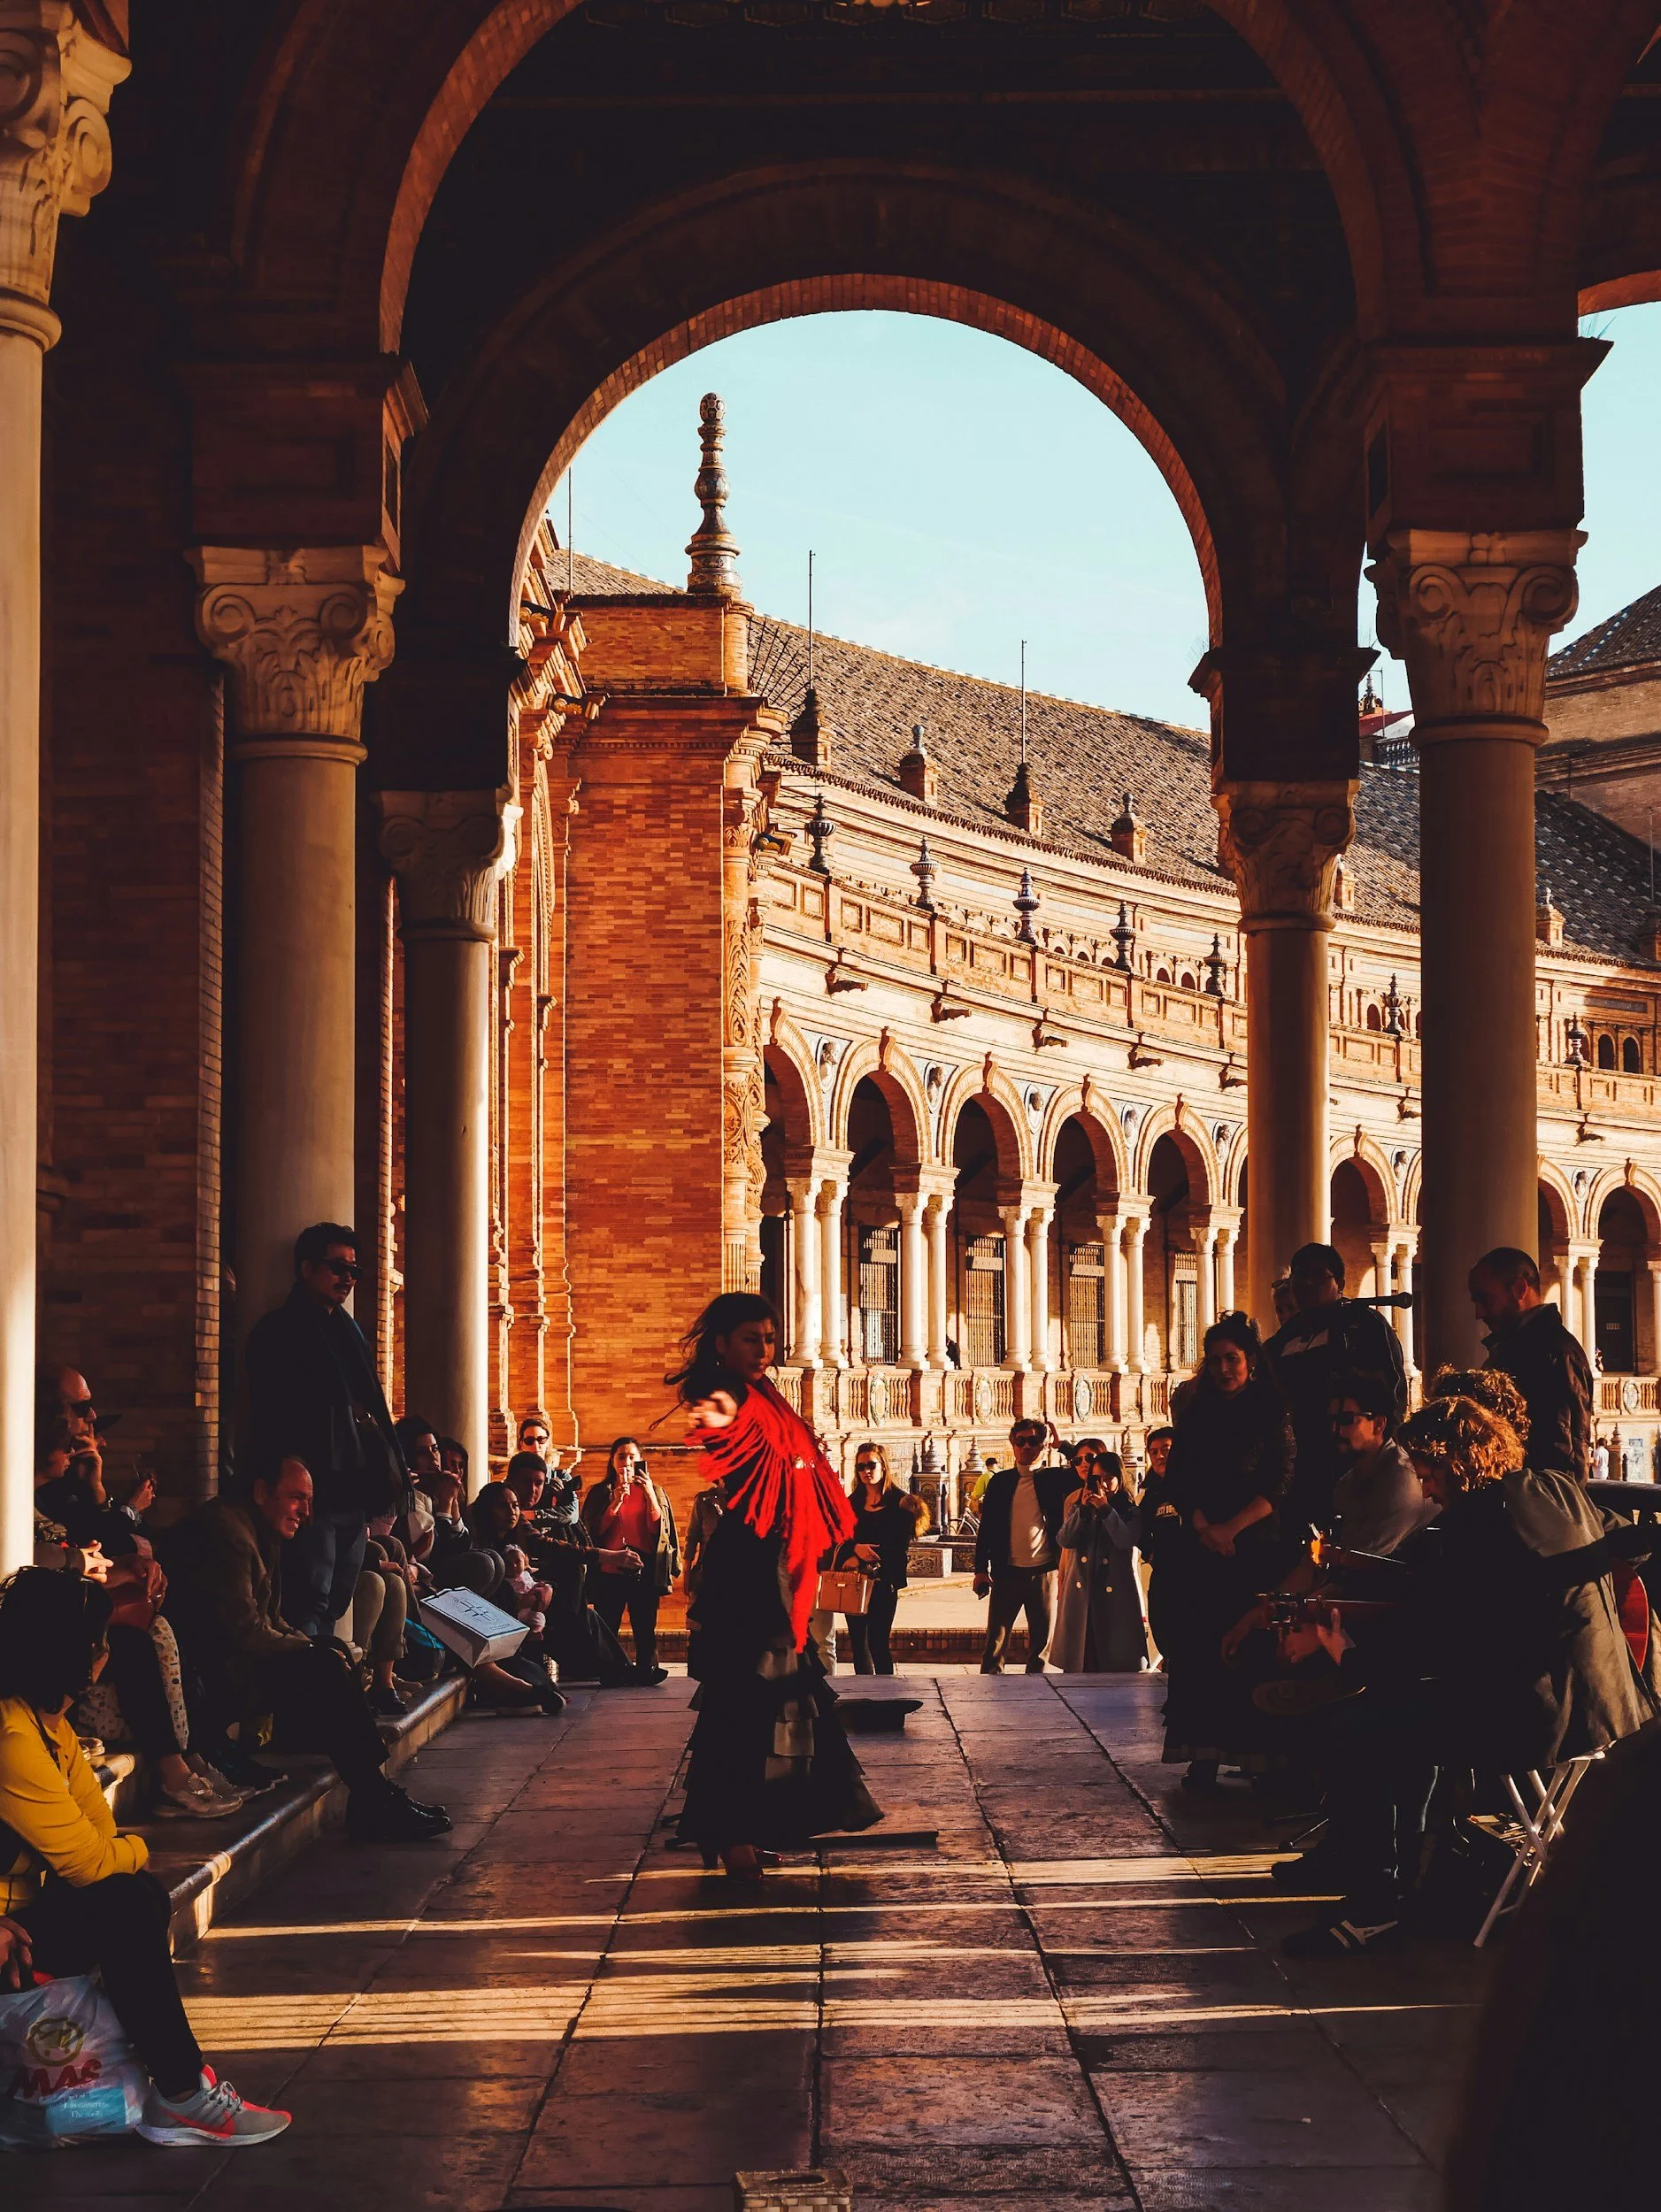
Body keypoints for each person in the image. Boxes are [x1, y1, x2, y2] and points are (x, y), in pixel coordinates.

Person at [1280, 1394, 1648, 1958]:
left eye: (1428, 1475)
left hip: (1540, 1720)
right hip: (1612, 1703)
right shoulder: (1559, 1488)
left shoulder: (1476, 1522)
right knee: (1404, 1721)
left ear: (1457, 1464)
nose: (1425, 1491)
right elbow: (1633, 1546)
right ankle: (1422, 1876)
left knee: (1357, 1727)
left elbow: (1422, 1644)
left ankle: (1376, 1905)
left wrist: (1342, 1652)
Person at [0, 1568, 291, 2145]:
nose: (107, 1653)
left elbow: (96, 1828)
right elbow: (89, 1859)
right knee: (126, 1902)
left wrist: (121, 1852)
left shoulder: (46, 1726)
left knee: (133, 1898)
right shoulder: (10, 1735)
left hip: (18, 1925)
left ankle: (178, 2088)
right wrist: (137, 1849)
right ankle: (184, 2093)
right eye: (99, 1640)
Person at [673, 1292, 880, 1878]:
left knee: (772, 1703)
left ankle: (741, 1829)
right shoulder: (720, 1395)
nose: (762, 1349)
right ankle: (731, 1834)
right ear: (720, 1343)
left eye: (768, 1338)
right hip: (745, 1569)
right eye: (749, 1338)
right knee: (743, 1703)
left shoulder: (767, 1397)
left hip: (776, 1564)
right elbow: (715, 1437)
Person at [164, 1455, 450, 1840]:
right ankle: (373, 1797)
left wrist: (312, 1645)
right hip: (206, 1681)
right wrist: (309, 1652)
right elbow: (244, 1633)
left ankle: (375, 1791)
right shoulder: (227, 1533)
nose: (307, 1512)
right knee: (322, 1666)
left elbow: (272, 1620)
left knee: (328, 1651)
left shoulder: (256, 1529)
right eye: (297, 1497)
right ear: (262, 1492)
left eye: (310, 1501)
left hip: (231, 1665)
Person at [244, 1224, 407, 1640]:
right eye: (338, 1268)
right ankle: (311, 1691)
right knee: (308, 1596)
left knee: (336, 1596)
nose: (348, 1279)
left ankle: (325, 1680)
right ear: (306, 1269)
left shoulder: (348, 1331)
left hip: (352, 1489)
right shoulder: (279, 1331)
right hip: (313, 1492)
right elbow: (269, 1413)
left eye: (354, 1271)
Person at [1160, 1312, 1292, 1791]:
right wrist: (1205, 1528)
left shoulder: (1272, 1410)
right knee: (1201, 1650)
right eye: (1214, 1361)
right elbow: (1179, 1478)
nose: (1223, 1369)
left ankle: (1256, 1756)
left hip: (1255, 1545)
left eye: (1231, 1359)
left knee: (1249, 1649)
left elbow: (1279, 1480)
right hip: (1203, 1546)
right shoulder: (1197, 1414)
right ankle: (1203, 1755)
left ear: (1250, 1362)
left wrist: (1232, 1527)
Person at [1263, 1242, 1407, 1533]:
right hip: (1297, 1467)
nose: (1307, 1284)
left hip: (1350, 1464)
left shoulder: (1365, 1326)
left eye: (1318, 1276)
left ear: (1339, 1283)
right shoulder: (1283, 1340)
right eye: (1300, 1277)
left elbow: (1391, 1399)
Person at [1470, 1245, 1595, 1482]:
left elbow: (1562, 1456)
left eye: (1485, 1299)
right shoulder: (1515, 1348)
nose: (1478, 1312)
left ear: (1519, 1289)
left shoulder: (1554, 1353)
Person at [973, 1418, 1074, 1674]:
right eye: (1020, 1441)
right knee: (995, 1642)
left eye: (1033, 1441)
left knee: (1041, 1646)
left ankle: (1038, 1697)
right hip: (1007, 1571)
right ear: (1013, 1444)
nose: (1026, 1447)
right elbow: (987, 1529)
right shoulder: (1000, 1482)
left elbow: (1091, 1468)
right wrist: (980, 1569)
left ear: (1043, 1445)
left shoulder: (1055, 1478)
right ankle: (989, 1694)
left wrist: (1063, 1446)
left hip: (1044, 1571)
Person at [581, 1437, 680, 1676]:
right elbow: (592, 1532)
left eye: (632, 1457)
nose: (626, 1462)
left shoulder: (654, 1491)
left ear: (640, 1461)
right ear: (612, 1461)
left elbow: (658, 1531)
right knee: (607, 1624)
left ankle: (648, 1669)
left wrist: (649, 1495)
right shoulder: (601, 1492)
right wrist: (615, 1503)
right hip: (609, 1568)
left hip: (642, 1569)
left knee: (645, 1626)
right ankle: (610, 1671)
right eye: (621, 1456)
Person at [1052, 1441, 1149, 1673]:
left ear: (1119, 1478)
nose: (1103, 1484)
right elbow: (1064, 1539)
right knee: (1082, 1659)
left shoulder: (1130, 1511)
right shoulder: (1080, 1509)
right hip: (1083, 1595)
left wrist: (1106, 1510)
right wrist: (1084, 1512)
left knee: (1113, 1662)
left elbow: (1125, 1540)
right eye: (1097, 1478)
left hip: (1114, 1597)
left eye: (1108, 1478)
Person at [836, 1441, 928, 1675]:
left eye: (871, 1465)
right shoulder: (851, 1504)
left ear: (884, 1466)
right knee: (858, 1644)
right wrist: (855, 1549)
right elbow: (840, 1538)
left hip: (883, 1582)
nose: (866, 1471)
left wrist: (863, 1560)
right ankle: (864, 1696)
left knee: (878, 1642)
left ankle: (887, 1695)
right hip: (855, 1583)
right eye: (861, 1467)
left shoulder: (902, 1504)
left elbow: (897, 1548)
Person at [1136, 1425, 1179, 1666]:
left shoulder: (1198, 1487)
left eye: (1166, 1450)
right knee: (1161, 1625)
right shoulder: (1152, 1494)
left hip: (1194, 1572)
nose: (1160, 1456)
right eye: (1154, 1452)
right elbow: (1139, 1529)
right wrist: (1150, 1552)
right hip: (1163, 1571)